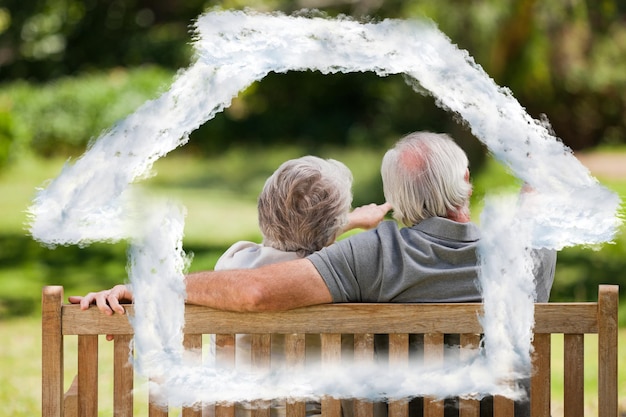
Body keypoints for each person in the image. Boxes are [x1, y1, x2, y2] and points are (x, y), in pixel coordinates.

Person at [71, 130, 555, 313]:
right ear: (467, 180)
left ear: (394, 198)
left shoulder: (377, 253)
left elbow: (254, 291)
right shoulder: (531, 252)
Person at [212, 155, 391, 417]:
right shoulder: (349, 278)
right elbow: (313, 252)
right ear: (333, 226)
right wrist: (345, 223)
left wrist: (344, 222)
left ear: (263, 210)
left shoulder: (230, 269)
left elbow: (294, 246)